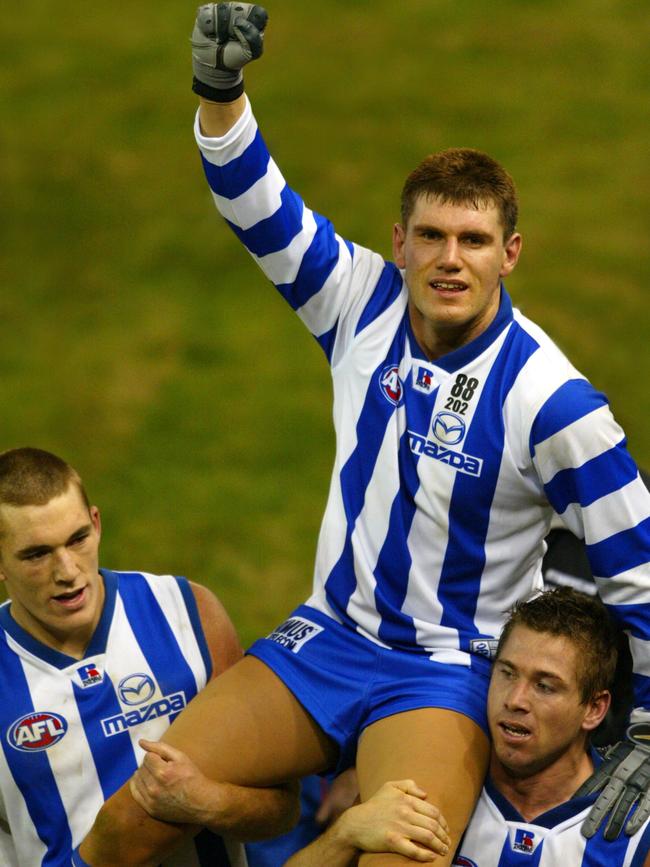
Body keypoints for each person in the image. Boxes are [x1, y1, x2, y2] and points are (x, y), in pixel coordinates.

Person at [77, 5, 650, 865]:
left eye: (473, 240)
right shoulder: (360, 301)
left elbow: (636, 563)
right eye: (431, 236)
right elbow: (254, 205)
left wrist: (640, 725)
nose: (450, 258)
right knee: (135, 814)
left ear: (512, 253)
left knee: (397, 859)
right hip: (324, 640)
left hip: (445, 675)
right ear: (400, 242)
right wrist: (220, 91)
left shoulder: (554, 401)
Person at [0, 446, 297, 866]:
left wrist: (207, 803)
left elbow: (281, 808)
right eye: (36, 554)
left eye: (78, 538)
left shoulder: (189, 613)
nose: (67, 571)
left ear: (97, 524)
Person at [281, 589, 650, 865]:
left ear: (594, 709)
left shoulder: (634, 830)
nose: (515, 699)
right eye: (506, 673)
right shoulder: (431, 787)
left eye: (544, 686)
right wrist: (344, 835)